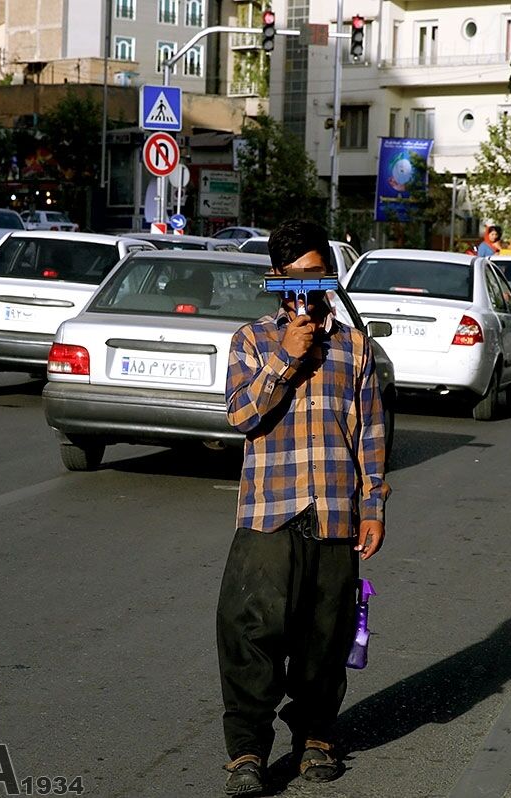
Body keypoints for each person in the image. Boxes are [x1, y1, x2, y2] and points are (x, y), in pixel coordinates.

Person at [216, 219, 390, 796]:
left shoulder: (356, 348)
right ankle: (246, 752)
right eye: (291, 279)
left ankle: (316, 737)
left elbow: (370, 433)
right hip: (269, 510)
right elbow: (241, 417)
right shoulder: (250, 341)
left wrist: (373, 506)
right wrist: (286, 358)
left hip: (336, 512)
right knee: (251, 633)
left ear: (329, 279)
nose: (303, 290)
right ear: (275, 279)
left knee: (326, 635)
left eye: (315, 276)